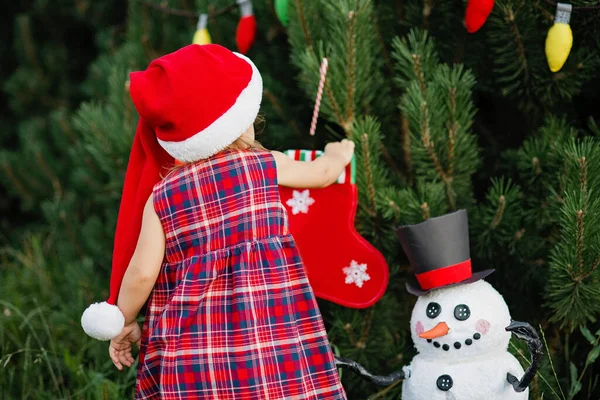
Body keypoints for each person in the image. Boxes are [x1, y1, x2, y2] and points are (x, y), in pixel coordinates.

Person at [80, 43, 353, 399]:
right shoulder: (265, 164)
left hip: (194, 351)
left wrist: (126, 319)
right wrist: (338, 153)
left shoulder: (162, 195)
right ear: (238, 122)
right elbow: (322, 174)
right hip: (271, 334)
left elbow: (142, 273)